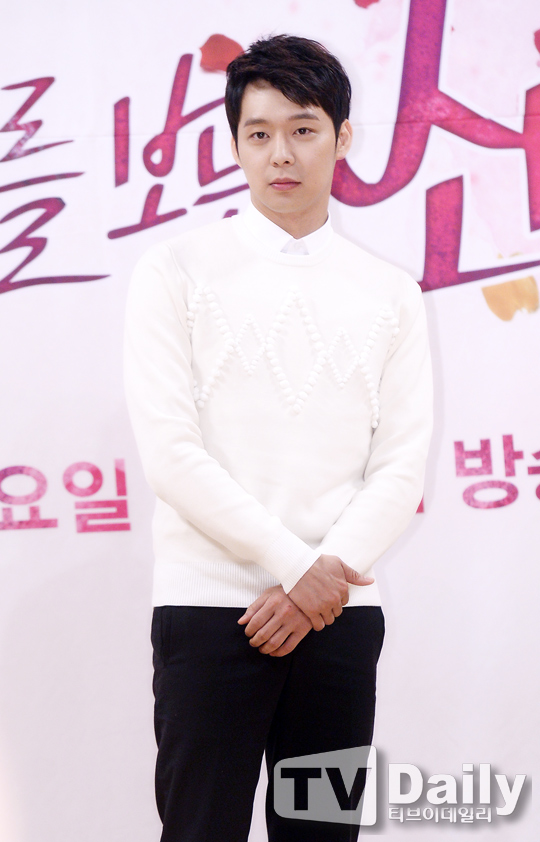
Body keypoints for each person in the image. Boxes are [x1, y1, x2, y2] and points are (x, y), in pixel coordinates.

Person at [124, 34, 432, 842]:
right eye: (258, 133)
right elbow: (172, 455)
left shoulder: (390, 293)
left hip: (339, 620)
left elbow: (402, 466)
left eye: (303, 130)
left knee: (322, 832)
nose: (280, 154)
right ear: (234, 144)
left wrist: (317, 584)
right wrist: (300, 571)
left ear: (343, 137)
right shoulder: (174, 270)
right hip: (209, 610)